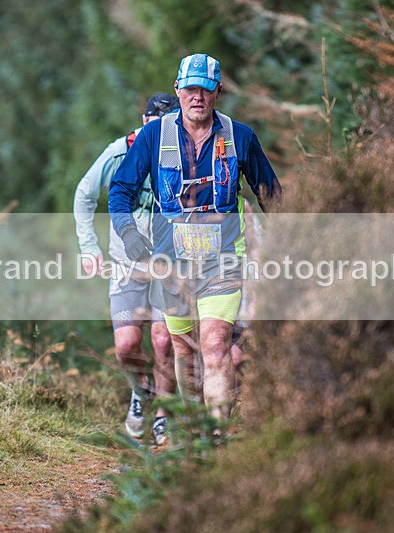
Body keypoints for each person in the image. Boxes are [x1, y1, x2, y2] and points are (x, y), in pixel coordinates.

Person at [108, 53, 282, 424]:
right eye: (189, 89)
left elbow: (272, 196)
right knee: (184, 352)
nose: (197, 97)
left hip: (223, 262)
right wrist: (128, 235)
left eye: (205, 89)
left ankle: (215, 439)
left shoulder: (241, 137)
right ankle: (192, 432)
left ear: (218, 91)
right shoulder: (154, 136)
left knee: (216, 346)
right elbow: (120, 190)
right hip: (171, 265)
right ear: (178, 90)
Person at [73, 94, 181, 446]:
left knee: (163, 341)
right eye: (154, 127)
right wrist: (89, 248)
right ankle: (141, 391)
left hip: (170, 262)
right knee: (126, 345)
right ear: (144, 121)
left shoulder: (185, 153)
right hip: (125, 263)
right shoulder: (120, 152)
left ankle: (164, 415)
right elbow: (84, 194)